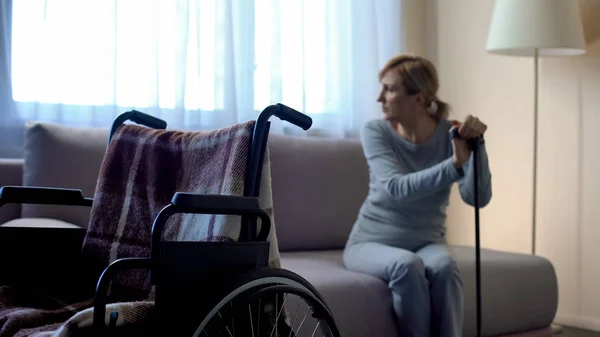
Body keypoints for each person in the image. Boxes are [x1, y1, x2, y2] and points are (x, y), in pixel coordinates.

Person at [343, 53, 493, 337]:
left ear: (419, 98)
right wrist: (454, 166)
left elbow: (477, 198)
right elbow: (395, 189)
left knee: (446, 267)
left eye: (389, 89)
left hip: (428, 242)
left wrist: (478, 146)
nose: (379, 98)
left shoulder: (450, 135)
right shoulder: (375, 131)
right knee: (406, 265)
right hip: (371, 242)